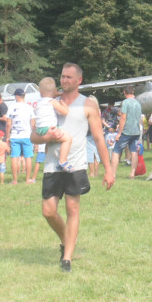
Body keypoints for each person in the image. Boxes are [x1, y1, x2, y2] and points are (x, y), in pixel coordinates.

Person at [32, 63, 115, 273]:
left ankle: (67, 258)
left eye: (69, 77)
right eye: (62, 76)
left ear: (79, 80)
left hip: (75, 165)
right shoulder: (49, 103)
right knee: (48, 212)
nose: (64, 80)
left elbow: (98, 137)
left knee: (72, 209)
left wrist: (109, 169)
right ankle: (67, 239)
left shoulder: (87, 105)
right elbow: (33, 135)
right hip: (52, 164)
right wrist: (46, 136)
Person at [111, 86, 143, 179]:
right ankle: (132, 173)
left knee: (116, 151)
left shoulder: (125, 102)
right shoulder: (138, 103)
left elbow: (123, 117)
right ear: (133, 92)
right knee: (133, 151)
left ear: (124, 92)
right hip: (136, 131)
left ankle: (113, 174)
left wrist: (119, 133)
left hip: (126, 131)